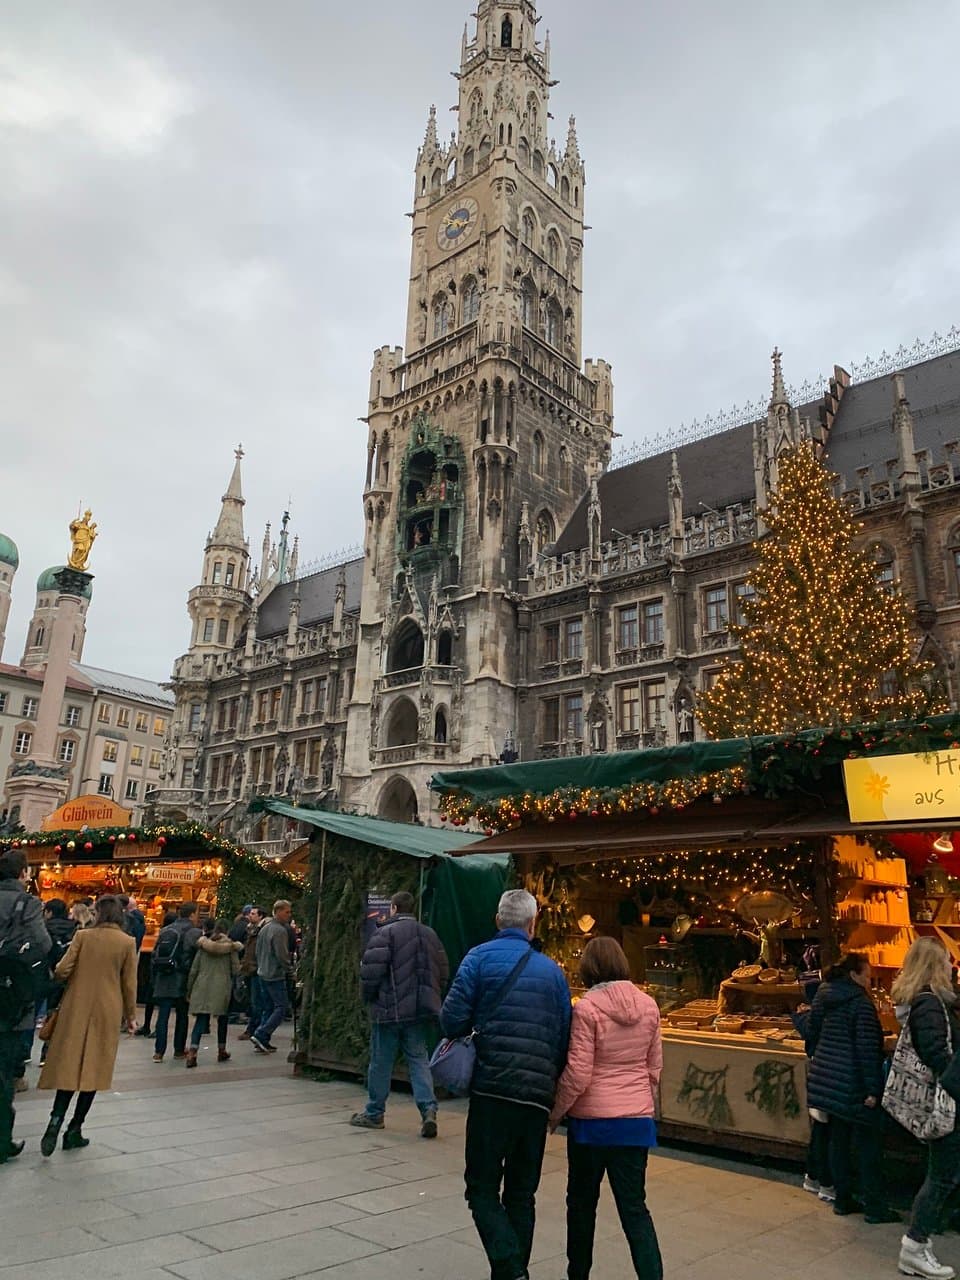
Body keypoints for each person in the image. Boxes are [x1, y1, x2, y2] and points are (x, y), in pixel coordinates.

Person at [441, 888, 571, 1280]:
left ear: (498, 920)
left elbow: (451, 1022)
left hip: (491, 1091)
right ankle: (513, 1271)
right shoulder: (553, 972)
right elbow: (564, 1037)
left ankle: (511, 1268)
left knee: (480, 1187)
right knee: (521, 1193)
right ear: (533, 925)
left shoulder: (477, 959)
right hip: (534, 1098)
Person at [548, 937, 663, 1280]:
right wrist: (640, 1103)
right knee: (634, 1208)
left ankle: (578, 1274)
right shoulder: (649, 1006)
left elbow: (579, 1072)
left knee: (582, 1206)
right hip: (635, 1124)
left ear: (589, 967)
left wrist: (555, 1113)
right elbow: (654, 1068)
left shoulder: (586, 1009)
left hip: (591, 1126)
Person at [37, 894, 137, 1155]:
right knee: (94, 1069)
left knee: (70, 1065)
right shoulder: (127, 942)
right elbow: (129, 983)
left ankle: (55, 1121)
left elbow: (62, 970)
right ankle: (75, 1128)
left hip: (76, 1006)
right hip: (108, 1009)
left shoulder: (83, 937)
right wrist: (131, 1015)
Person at [804, 952, 898, 1224]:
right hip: (852, 1080)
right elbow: (867, 1050)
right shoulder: (861, 1004)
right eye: (867, 976)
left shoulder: (824, 994)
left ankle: (842, 1199)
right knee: (869, 1144)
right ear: (855, 975)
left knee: (838, 1139)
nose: (870, 981)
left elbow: (812, 1030)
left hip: (826, 1076)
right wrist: (872, 1089)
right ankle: (875, 1206)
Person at [350, 890, 449, 1137]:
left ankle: (374, 1113)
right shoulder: (430, 935)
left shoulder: (384, 934)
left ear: (393, 908)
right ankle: (428, 1109)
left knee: (381, 1063)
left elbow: (370, 973)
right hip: (418, 1011)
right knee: (418, 1060)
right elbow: (443, 971)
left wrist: (369, 998)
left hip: (388, 1010)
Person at [893, 938, 960, 1280]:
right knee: (942, 1178)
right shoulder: (929, 1005)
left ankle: (920, 1243)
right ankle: (914, 1247)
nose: (952, 967)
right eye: (947, 962)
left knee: (944, 1177)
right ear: (935, 965)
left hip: (947, 1103)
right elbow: (937, 1055)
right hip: (946, 1105)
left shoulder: (931, 1002)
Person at [0, 849, 51, 1163]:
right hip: (9, 999)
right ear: (22, 874)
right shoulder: (27, 904)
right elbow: (42, 944)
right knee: (3, 1071)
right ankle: (2, 1140)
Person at [185, 918, 242, 1067]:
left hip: (202, 985)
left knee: (201, 1020)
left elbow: (194, 969)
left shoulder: (203, 945)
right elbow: (236, 970)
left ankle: (192, 1052)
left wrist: (189, 989)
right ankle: (221, 1050)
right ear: (227, 931)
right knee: (222, 1019)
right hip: (222, 986)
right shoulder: (231, 948)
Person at [151, 902, 201, 1062]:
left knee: (162, 1016)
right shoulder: (194, 932)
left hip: (164, 976)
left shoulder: (166, 930)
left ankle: (159, 1052)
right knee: (181, 1015)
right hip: (181, 977)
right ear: (192, 914)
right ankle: (179, 1050)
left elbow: (155, 953)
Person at [250, 900, 293, 1054]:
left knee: (267, 1007)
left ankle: (262, 1040)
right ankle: (262, 1034)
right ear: (279, 911)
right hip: (274, 974)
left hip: (262, 972)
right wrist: (289, 969)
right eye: (287, 912)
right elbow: (281, 954)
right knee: (281, 1007)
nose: (289, 915)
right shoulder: (279, 931)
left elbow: (257, 951)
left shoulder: (264, 928)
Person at [134, 909, 176, 1038]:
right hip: (167, 971)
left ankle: (147, 1025)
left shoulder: (163, 933)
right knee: (162, 1003)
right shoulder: (173, 934)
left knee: (150, 1000)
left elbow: (154, 951)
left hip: (155, 969)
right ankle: (156, 1028)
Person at [237, 906, 265, 1041]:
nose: (250, 915)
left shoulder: (259, 931)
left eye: (253, 913)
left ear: (260, 916)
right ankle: (256, 1028)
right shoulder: (250, 929)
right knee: (254, 1000)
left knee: (256, 1001)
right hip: (250, 969)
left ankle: (254, 1029)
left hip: (255, 969)